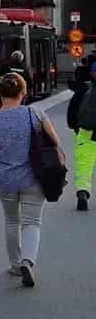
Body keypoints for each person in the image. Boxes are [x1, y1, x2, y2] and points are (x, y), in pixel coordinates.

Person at [0, 72, 62, 286]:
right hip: (33, 177)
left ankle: (14, 264)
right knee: (32, 222)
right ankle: (28, 261)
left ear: (0, 93)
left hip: (5, 179)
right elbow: (55, 141)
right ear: (23, 93)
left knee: (11, 221)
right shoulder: (34, 113)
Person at [66, 55, 96, 210]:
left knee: (84, 165)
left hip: (86, 132)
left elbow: (71, 113)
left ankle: (82, 192)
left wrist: (76, 129)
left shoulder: (84, 90)